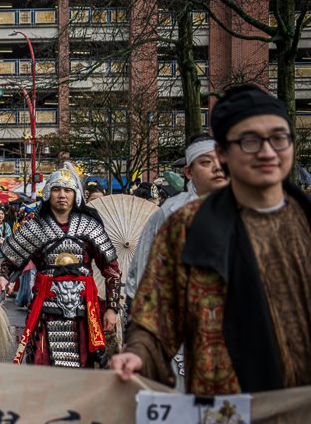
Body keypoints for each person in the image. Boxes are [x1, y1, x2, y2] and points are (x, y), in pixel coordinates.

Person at [112, 84, 311, 394]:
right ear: (223, 152)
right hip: (220, 408)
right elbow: (156, 316)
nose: (268, 152)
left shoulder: (305, 222)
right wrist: (138, 354)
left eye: (278, 138)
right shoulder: (186, 226)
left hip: (299, 407)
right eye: (250, 141)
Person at [0, 163, 121, 368]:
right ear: (47, 193)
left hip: (84, 311)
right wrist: (3, 277)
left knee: (82, 368)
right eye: (56, 189)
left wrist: (112, 309)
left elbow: (112, 271)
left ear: (76, 195)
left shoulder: (90, 226)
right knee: (42, 365)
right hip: (46, 309)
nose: (62, 195)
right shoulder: (36, 226)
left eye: (67, 190)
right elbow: (10, 261)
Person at [125, 134, 228, 306]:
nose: (217, 168)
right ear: (188, 172)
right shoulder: (168, 214)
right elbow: (144, 269)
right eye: (206, 162)